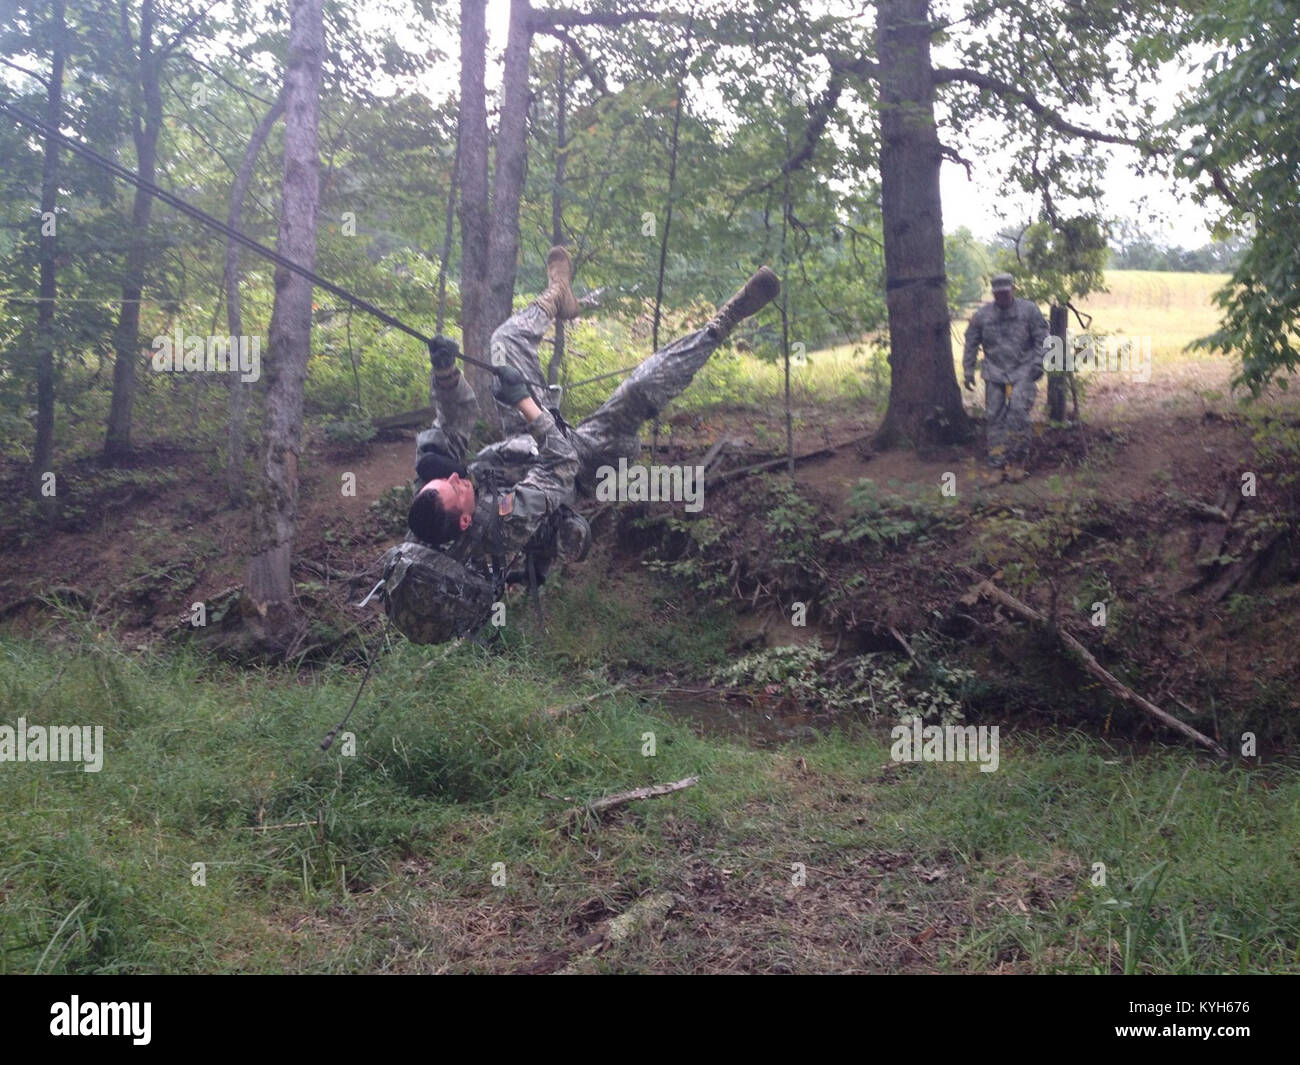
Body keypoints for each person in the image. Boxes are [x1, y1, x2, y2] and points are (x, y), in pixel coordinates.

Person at [409, 246, 781, 567]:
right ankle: (725, 320)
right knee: (639, 388)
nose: (455, 477)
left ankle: (557, 294)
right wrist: (523, 400)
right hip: (580, 462)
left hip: (523, 439)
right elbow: (561, 462)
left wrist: (445, 375)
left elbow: (451, 427)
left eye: (445, 481)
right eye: (454, 488)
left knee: (504, 339)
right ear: (463, 522)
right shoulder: (504, 523)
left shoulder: (432, 502)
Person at [962, 272, 1048, 481]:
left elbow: (1043, 338)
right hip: (995, 371)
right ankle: (997, 465)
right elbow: (971, 341)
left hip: (1024, 369)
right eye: (998, 293)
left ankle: (1019, 461)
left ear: (1013, 289)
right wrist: (968, 369)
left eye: (1005, 292)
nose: (1002, 296)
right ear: (993, 293)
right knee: (994, 417)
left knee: (1018, 412)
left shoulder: (1029, 310)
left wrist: (1039, 362)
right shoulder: (982, 315)